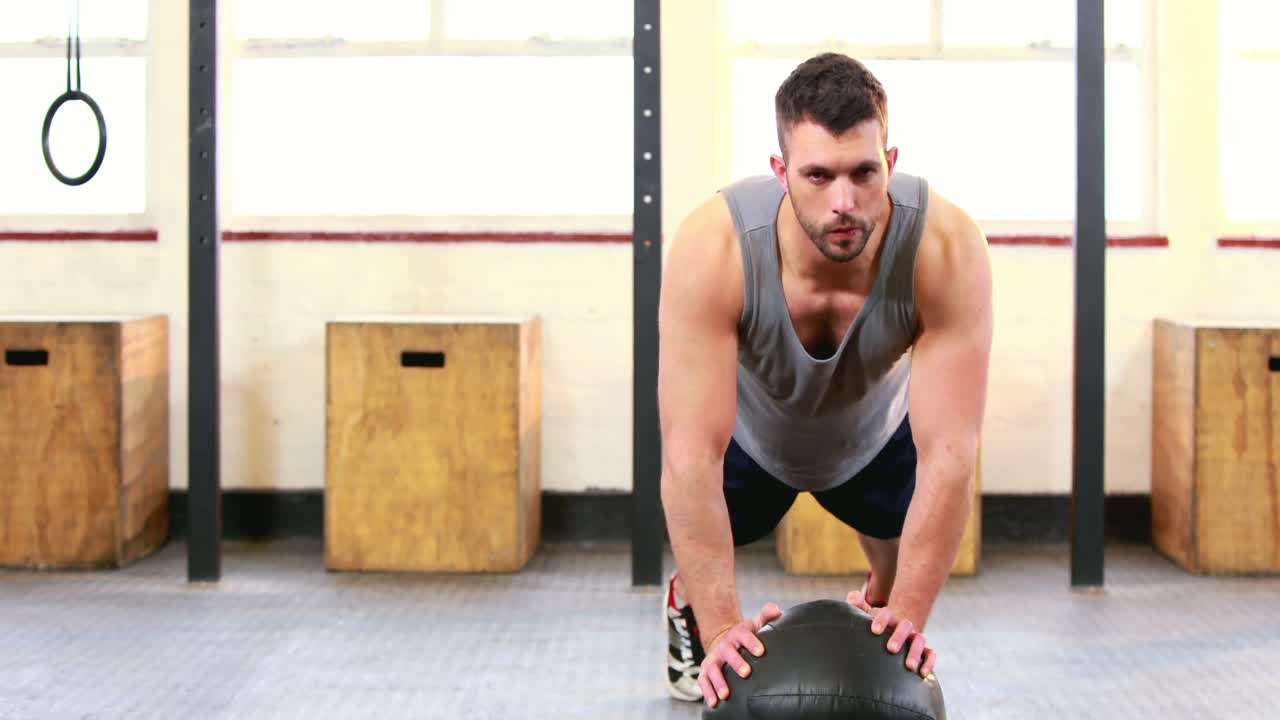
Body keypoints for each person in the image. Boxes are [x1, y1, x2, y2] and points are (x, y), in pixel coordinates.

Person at [657, 52, 993, 709]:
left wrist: (908, 619)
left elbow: (950, 453)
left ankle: (879, 595)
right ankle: (685, 604)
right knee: (705, 590)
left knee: (900, 597)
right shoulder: (715, 246)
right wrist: (722, 625)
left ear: (890, 162)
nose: (843, 202)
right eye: (817, 175)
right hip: (752, 444)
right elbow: (690, 453)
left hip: (870, 439)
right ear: (781, 172)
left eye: (863, 172)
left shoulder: (945, 248)